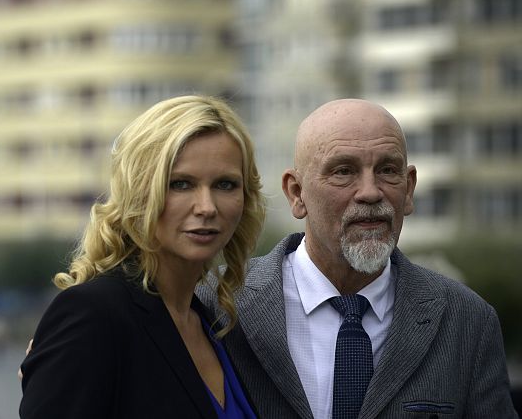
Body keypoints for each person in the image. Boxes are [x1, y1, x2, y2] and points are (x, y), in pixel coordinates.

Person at [198, 98, 518, 418]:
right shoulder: (214, 303)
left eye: (387, 170)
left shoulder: (467, 321)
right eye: (344, 171)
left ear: (408, 189)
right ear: (296, 193)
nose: (370, 192)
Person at [19, 95, 267, 418]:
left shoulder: (217, 325)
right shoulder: (93, 315)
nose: (207, 207)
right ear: (139, 191)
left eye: (225, 184)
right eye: (180, 184)